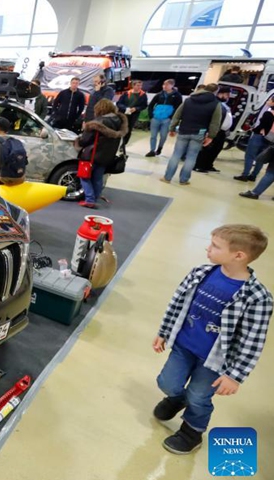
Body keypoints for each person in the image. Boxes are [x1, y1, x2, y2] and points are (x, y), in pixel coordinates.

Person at [152, 224, 271, 455]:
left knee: (199, 396)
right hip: (183, 346)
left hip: (216, 361)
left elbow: (252, 341)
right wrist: (164, 331)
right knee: (167, 383)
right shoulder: (200, 273)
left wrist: (235, 376)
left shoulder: (258, 298)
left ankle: (192, 431)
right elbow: (177, 304)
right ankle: (177, 398)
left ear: (239, 256)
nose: (208, 249)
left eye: (215, 246)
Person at [162, 84, 222, 185]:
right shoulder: (216, 104)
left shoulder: (189, 100)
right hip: (200, 132)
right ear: (216, 92)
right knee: (191, 157)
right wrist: (211, 136)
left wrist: (172, 128)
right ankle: (184, 180)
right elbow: (215, 122)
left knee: (176, 155)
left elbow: (177, 115)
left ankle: (167, 177)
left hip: (184, 130)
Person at [75, 99, 127, 209]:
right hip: (107, 156)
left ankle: (89, 199)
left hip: (92, 155)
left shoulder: (97, 123)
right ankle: (96, 197)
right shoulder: (119, 122)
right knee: (98, 178)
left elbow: (85, 140)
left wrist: (77, 141)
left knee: (84, 177)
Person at [234, 96, 274, 182]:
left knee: (249, 155)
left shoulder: (268, 114)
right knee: (260, 158)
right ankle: (253, 175)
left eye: (270, 100)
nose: (267, 100)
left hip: (259, 136)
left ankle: (245, 175)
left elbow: (262, 126)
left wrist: (253, 129)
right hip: (270, 139)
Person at [194, 87, 233, 173]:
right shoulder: (215, 103)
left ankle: (208, 165)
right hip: (214, 130)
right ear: (220, 93)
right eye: (227, 94)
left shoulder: (223, 104)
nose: (228, 97)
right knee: (207, 149)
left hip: (222, 132)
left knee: (216, 149)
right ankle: (199, 165)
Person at [146, 79, 183, 157]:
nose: (164, 86)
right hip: (155, 118)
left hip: (167, 119)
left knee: (163, 135)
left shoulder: (177, 96)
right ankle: (152, 150)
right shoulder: (159, 95)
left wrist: (171, 117)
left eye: (167, 84)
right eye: (164, 84)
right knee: (153, 135)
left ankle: (160, 147)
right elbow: (151, 105)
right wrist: (151, 116)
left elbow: (178, 108)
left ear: (172, 85)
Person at [116, 80, 148, 154]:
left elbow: (144, 105)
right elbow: (119, 103)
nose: (139, 87)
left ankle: (123, 145)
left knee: (128, 130)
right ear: (133, 85)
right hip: (123, 114)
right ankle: (116, 143)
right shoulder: (126, 93)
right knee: (119, 128)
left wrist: (136, 109)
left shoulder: (143, 95)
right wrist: (125, 108)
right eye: (137, 85)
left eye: (140, 86)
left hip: (133, 115)